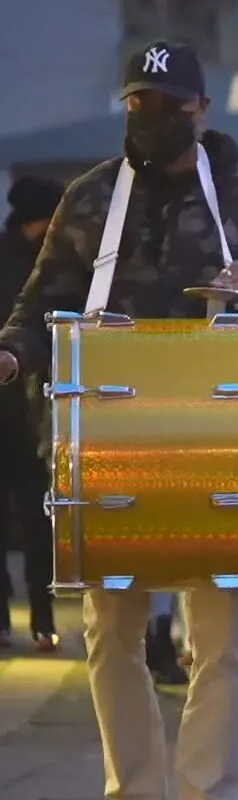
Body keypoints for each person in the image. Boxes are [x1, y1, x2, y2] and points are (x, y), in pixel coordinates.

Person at [0, 39, 238, 800]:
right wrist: (11, 355)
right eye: (137, 105)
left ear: (201, 109)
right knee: (110, 634)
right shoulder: (90, 197)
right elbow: (37, 305)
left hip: (223, 438)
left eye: (168, 106)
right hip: (111, 442)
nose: (150, 120)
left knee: (217, 640)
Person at [0, 176, 62, 653]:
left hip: (26, 405)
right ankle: (40, 618)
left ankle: (18, 618)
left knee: (29, 513)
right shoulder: (46, 266)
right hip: (29, 405)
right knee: (35, 512)